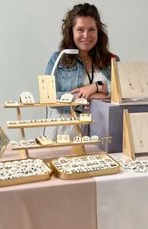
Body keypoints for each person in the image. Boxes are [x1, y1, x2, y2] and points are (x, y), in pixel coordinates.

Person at [44, 3, 118, 139]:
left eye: (91, 30)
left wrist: (96, 86)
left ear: (98, 31)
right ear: (71, 31)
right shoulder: (58, 59)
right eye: (80, 30)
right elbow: (48, 96)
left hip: (101, 130)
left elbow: (123, 93)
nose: (86, 35)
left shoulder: (111, 60)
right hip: (64, 131)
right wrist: (88, 98)